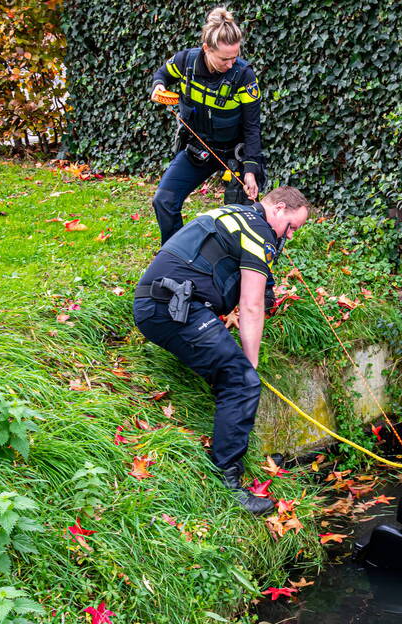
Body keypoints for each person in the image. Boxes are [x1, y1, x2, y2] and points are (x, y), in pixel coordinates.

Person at [133, 186, 310, 515]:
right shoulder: (260, 231)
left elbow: (245, 277)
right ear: (280, 208)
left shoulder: (235, 214)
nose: (290, 235)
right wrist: (250, 364)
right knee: (241, 381)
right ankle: (227, 482)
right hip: (173, 310)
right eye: (292, 227)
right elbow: (252, 305)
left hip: (162, 302)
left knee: (232, 371)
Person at [150, 7, 265, 245]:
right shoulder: (185, 61)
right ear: (206, 49)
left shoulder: (244, 76)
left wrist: (251, 170)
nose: (231, 64)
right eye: (225, 58)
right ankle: (176, 255)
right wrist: (159, 86)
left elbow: (253, 127)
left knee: (239, 221)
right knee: (164, 200)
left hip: (235, 154)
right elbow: (162, 73)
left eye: (235, 57)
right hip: (197, 149)